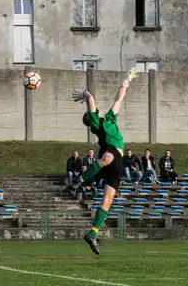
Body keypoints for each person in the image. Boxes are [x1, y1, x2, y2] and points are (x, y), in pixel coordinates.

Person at [72, 66, 138, 255]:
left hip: (118, 162)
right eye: (94, 112)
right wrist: (85, 95)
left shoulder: (109, 118)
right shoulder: (96, 122)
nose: (98, 111)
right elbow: (91, 101)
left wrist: (126, 81)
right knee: (107, 158)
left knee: (108, 199)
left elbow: (119, 99)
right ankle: (81, 180)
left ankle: (92, 234)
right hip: (110, 151)